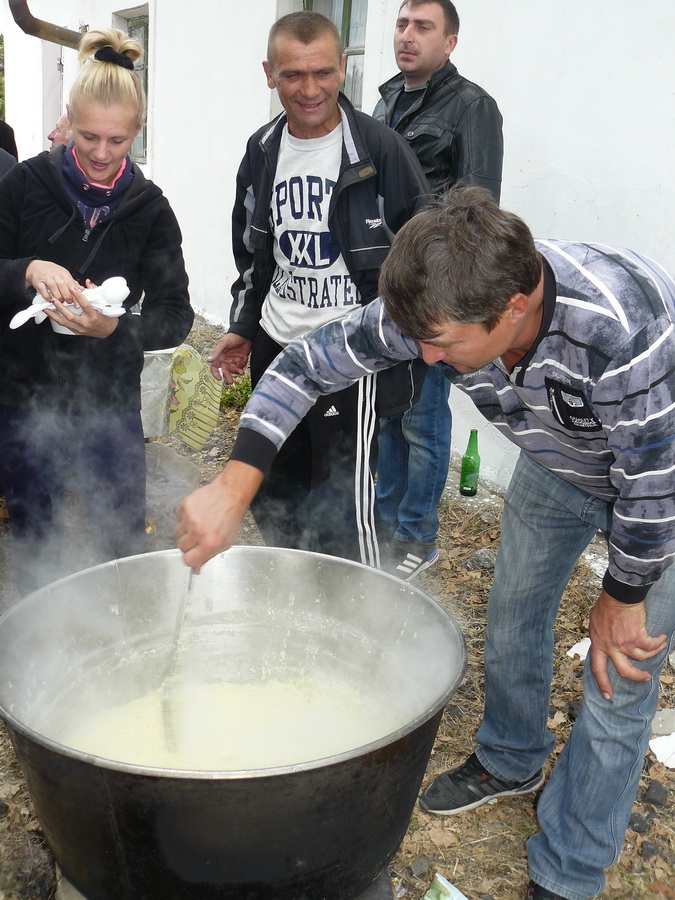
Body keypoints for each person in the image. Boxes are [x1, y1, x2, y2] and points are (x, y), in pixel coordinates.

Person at [177, 187, 675, 900]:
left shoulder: (623, 329)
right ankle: (510, 758)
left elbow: (653, 486)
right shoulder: (439, 301)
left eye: (440, 345)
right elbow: (303, 364)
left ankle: (568, 870)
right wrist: (234, 484)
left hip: (661, 477)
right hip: (560, 460)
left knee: (617, 675)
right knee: (512, 616)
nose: (422, 356)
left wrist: (621, 597)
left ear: (514, 307)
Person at [207, 11, 429, 568]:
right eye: (292, 76)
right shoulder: (261, 151)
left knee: (345, 513)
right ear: (269, 74)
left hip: (350, 361)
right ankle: (294, 600)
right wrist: (242, 328)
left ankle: (357, 618)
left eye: (323, 73)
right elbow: (254, 255)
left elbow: (426, 257)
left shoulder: (382, 151)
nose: (310, 90)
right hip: (278, 349)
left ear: (343, 70)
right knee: (277, 493)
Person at [0, 28, 193, 596]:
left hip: (107, 403)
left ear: (138, 131)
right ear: (67, 122)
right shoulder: (23, 186)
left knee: (120, 536)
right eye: (88, 138)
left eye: (117, 140)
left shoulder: (150, 210)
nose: (103, 154)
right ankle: (41, 644)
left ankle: (129, 645)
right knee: (35, 531)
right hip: (21, 394)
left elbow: (174, 314)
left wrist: (114, 327)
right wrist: (27, 269)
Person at [374, 0, 503, 580]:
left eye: (422, 27)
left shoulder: (472, 107)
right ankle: (382, 527)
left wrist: (449, 299)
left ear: (449, 42)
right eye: (402, 24)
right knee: (385, 412)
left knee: (422, 419)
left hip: (430, 293)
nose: (407, 36)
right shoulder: (383, 101)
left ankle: (417, 538)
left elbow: (478, 214)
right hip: (378, 286)